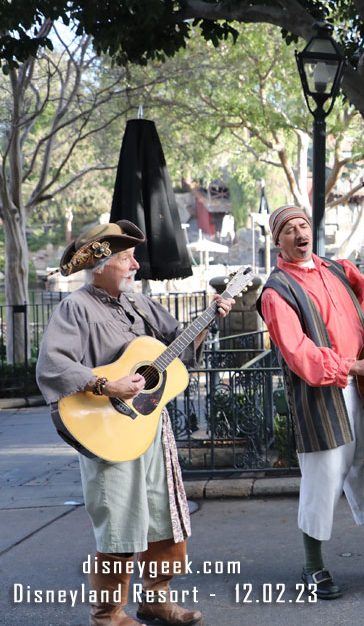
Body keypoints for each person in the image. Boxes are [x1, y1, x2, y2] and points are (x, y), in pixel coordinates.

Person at [36, 221, 234, 626]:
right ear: (99, 264)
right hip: (106, 431)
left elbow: (178, 345)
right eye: (126, 258)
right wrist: (106, 384)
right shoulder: (76, 307)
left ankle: (155, 600)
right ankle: (107, 614)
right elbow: (52, 364)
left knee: (162, 517)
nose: (135, 265)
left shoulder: (140, 304)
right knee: (120, 521)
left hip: (150, 428)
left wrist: (210, 318)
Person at [258, 205, 364, 600]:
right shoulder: (276, 291)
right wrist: (355, 366)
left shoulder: (337, 268)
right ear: (277, 241)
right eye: (288, 229)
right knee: (323, 480)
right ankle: (313, 566)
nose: (299, 233)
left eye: (303, 225)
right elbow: (299, 354)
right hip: (323, 392)